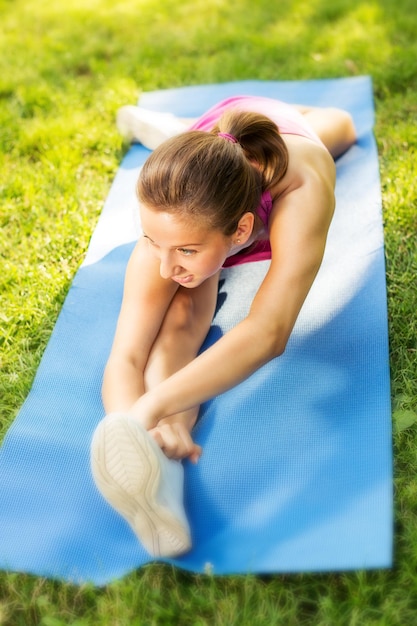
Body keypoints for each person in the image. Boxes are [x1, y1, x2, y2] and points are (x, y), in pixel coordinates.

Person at [90, 95, 357, 558]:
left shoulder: (303, 189)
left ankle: (170, 124)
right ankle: (162, 476)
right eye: (152, 241)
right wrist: (131, 426)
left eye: (185, 252)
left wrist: (151, 405)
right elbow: (126, 355)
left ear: (240, 233)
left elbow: (268, 332)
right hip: (207, 167)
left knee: (340, 125)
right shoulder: (174, 220)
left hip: (277, 157)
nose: (164, 267)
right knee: (178, 319)